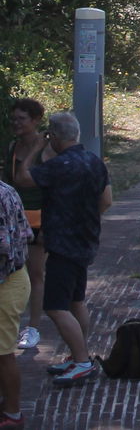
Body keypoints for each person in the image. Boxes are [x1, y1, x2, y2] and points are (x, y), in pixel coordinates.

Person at [15, 112, 111, 385]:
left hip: (62, 245)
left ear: (54, 136)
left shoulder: (59, 165)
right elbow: (107, 200)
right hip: (86, 241)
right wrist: (85, 220)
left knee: (56, 307)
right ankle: (79, 354)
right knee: (75, 301)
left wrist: (35, 148)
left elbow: (22, 179)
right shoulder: (94, 161)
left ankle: (82, 362)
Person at [3, 101, 48, 350]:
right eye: (14, 119)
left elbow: (51, 187)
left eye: (22, 119)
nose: (16, 123)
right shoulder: (12, 146)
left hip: (38, 217)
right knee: (11, 270)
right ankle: (11, 322)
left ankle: (33, 327)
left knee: (35, 271)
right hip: (13, 219)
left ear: (36, 120)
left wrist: (49, 223)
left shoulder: (46, 150)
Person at [0, 175, 31, 427]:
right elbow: (26, 232)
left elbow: (3, 249)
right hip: (15, 277)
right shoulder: (7, 190)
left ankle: (13, 413)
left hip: (6, 283)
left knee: (3, 354)